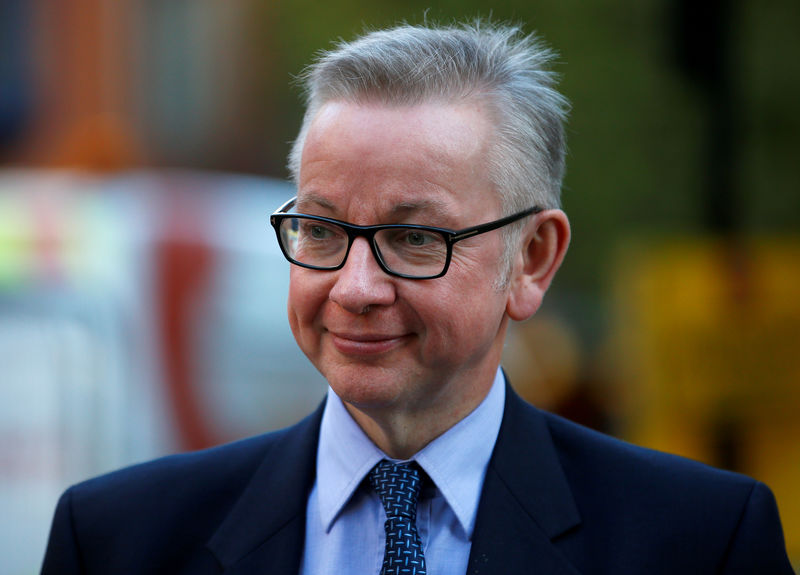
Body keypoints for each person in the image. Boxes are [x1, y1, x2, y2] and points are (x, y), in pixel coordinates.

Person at [41, 21, 794, 574]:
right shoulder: (116, 539)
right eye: (322, 229)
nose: (356, 288)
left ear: (532, 259)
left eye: (414, 240)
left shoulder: (701, 541)